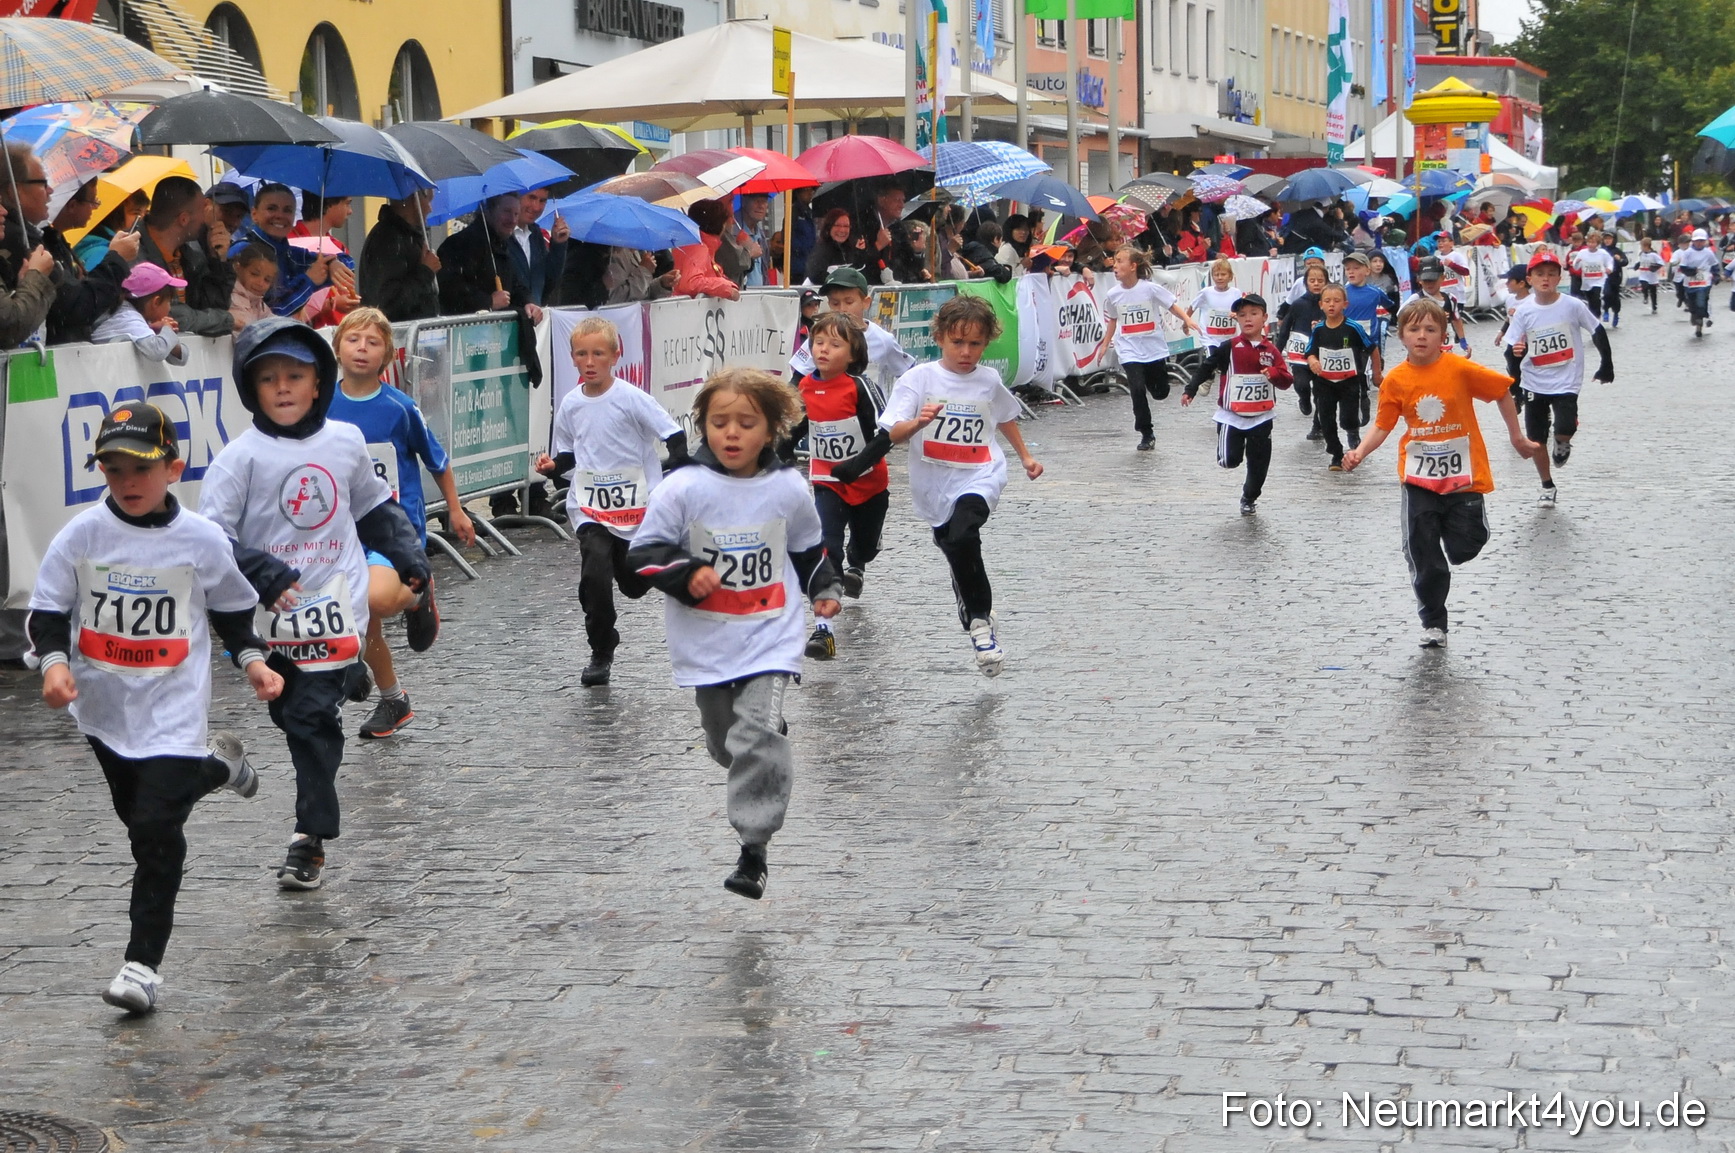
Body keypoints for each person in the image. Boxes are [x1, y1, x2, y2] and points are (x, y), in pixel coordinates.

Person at [26, 403, 284, 1014]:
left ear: (173, 468)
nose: (128, 481)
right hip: (104, 710)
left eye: (141, 468)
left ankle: (141, 967)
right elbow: (47, 609)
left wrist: (252, 660)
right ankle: (219, 768)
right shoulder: (82, 534)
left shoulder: (200, 538)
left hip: (174, 706)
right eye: (114, 469)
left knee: (154, 831)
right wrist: (55, 665)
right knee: (138, 815)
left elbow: (231, 608)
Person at [199, 317, 429, 891]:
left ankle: (309, 840)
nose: (283, 388)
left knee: (309, 720)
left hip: (338, 604)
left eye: (295, 376)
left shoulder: (344, 442)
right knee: (290, 712)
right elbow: (208, 540)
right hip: (271, 622)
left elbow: (374, 509)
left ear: (318, 382)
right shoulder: (238, 459)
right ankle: (349, 678)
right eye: (269, 378)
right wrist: (261, 569)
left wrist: (408, 555)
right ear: (251, 388)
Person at [626, 368, 842, 901]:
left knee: (756, 738)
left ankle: (753, 849)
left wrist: (823, 586)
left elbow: (807, 548)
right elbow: (642, 555)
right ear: (702, 425)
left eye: (746, 423)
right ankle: (760, 743)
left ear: (771, 431)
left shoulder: (787, 488)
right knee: (729, 742)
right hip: (707, 642)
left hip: (771, 635)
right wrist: (685, 573)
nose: (732, 433)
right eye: (720, 422)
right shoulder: (683, 488)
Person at [1342, 298, 1542, 647]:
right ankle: (1434, 622)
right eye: (1414, 329)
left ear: (1443, 336)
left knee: (1466, 546)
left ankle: (1467, 533)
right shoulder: (1396, 380)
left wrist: (1517, 438)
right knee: (1424, 553)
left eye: (1430, 329)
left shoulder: (1459, 369)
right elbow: (1383, 425)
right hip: (1418, 478)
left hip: (1463, 477)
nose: (1422, 336)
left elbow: (1502, 391)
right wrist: (1359, 452)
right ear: (1401, 336)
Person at [326, 308, 475, 738]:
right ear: (337, 348)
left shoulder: (400, 407)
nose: (362, 349)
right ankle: (394, 700)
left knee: (374, 600)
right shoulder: (320, 405)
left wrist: (456, 509)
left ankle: (416, 593)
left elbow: (436, 460)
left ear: (388, 355)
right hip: (340, 528)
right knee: (358, 614)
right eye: (353, 340)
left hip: (393, 526)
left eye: (373, 342)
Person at [879, 295, 1043, 675]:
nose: (966, 352)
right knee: (952, 542)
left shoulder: (988, 380)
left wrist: (1024, 457)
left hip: (981, 473)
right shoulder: (918, 379)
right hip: (934, 484)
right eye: (957, 342)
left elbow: (1005, 416)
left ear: (986, 343)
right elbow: (894, 433)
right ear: (939, 338)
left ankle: (980, 625)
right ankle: (971, 604)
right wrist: (918, 424)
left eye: (975, 343)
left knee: (964, 532)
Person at [533, 317, 687, 687]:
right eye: (582, 354)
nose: (590, 362)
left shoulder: (631, 398)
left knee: (633, 585)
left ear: (615, 356)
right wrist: (554, 467)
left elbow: (674, 435)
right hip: (590, 507)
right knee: (594, 574)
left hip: (635, 507)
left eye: (598, 354)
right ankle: (601, 649)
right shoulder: (571, 404)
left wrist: (678, 472)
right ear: (572, 357)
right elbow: (569, 453)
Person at [786, 312, 893, 659]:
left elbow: (886, 434)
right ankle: (824, 631)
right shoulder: (804, 387)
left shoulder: (860, 387)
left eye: (834, 344)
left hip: (868, 484)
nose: (823, 350)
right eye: (818, 342)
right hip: (827, 483)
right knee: (826, 547)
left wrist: (856, 465)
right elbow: (797, 430)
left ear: (853, 353)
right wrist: (773, 457)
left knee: (862, 549)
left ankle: (860, 558)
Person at [1503, 250, 1614, 508]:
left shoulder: (1572, 306)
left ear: (1559, 278)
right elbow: (1512, 350)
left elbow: (1597, 330)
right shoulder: (1523, 311)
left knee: (1565, 427)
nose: (1546, 279)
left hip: (1566, 378)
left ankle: (1563, 442)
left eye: (1552, 274)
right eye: (1540, 274)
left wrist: (1606, 364)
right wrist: (1516, 383)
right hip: (1534, 380)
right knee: (1536, 439)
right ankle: (1547, 485)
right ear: (1529, 279)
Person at [1182, 293, 1293, 515]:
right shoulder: (1229, 347)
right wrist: (1190, 389)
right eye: (1242, 315)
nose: (1248, 319)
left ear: (1265, 317)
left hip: (1261, 416)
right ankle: (1233, 449)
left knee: (1259, 464)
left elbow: (1286, 381)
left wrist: (1273, 374)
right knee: (1229, 460)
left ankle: (1249, 498)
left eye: (1254, 314)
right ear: (1236, 319)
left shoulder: (1271, 351)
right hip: (1231, 416)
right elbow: (1206, 367)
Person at [1095, 245, 1200, 452]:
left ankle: (1159, 386)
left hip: (1153, 348)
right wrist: (1105, 343)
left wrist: (1187, 319)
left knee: (1160, 393)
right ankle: (1146, 432)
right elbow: (1113, 320)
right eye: (1114, 261)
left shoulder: (1150, 289)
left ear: (1133, 266)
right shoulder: (1113, 294)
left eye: (1120, 261)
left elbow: (1171, 306)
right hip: (1129, 349)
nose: (1114, 266)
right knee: (1136, 388)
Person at [789, 267, 914, 400]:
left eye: (849, 302)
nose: (842, 309)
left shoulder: (883, 340)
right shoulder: (820, 338)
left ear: (866, 302)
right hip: (829, 409)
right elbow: (796, 382)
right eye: (835, 303)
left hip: (869, 409)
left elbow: (910, 375)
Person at [39, 176, 138, 345]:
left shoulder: (56, 241)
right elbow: (78, 306)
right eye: (92, 201)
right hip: (61, 347)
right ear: (72, 205)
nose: (95, 207)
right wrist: (117, 258)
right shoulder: (43, 246)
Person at [228, 183, 342, 320]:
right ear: (254, 214)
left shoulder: (288, 252)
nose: (279, 215)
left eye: (287, 210)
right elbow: (271, 313)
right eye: (271, 208)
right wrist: (309, 281)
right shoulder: (242, 250)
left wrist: (333, 262)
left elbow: (348, 263)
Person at [437, 192, 542, 319]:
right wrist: (488, 302)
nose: (513, 220)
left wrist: (528, 303)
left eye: (516, 214)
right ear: (487, 211)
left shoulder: (501, 244)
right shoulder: (459, 244)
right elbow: (449, 290)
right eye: (507, 212)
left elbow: (515, 286)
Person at [1304, 283, 1374, 470]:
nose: (1331, 305)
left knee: (1347, 418)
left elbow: (1372, 348)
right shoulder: (1318, 329)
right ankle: (1336, 454)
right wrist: (1313, 361)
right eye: (1327, 301)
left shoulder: (1353, 327)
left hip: (1349, 381)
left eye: (1336, 301)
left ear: (1345, 304)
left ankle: (1353, 431)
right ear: (1321, 305)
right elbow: (1309, 351)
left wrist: (1377, 374)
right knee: (1326, 419)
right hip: (1324, 382)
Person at [358, 188, 441, 322]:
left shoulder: (406, 236)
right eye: (428, 201)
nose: (430, 209)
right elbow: (388, 304)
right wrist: (425, 271)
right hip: (399, 331)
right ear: (415, 200)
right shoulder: (388, 239)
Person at [90, 262, 187, 365]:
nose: (170, 308)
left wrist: (156, 331)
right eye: (169, 302)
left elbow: (182, 357)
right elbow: (157, 351)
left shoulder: (128, 316)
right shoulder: (128, 317)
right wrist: (168, 329)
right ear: (156, 302)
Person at [1276, 263, 1329, 441]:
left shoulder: (1329, 304)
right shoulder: (1298, 304)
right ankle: (1304, 399)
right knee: (1301, 384)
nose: (1316, 283)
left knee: (1321, 394)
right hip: (1300, 357)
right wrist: (1276, 353)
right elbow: (1285, 329)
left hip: (1322, 357)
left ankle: (1317, 426)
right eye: (1312, 280)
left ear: (1326, 282)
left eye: (1320, 280)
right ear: (1306, 283)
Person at [672, 200, 743, 301]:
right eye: (728, 219)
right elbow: (691, 283)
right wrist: (724, 287)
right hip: (689, 309)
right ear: (721, 224)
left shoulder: (691, 245)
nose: (731, 223)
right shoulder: (698, 248)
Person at [509, 187, 569, 305]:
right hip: (512, 314)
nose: (536, 207)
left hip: (535, 313)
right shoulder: (499, 235)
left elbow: (548, 281)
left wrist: (558, 244)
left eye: (542, 201)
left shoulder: (535, 233)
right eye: (531, 198)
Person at [1402, 257, 1470, 352]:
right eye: (1426, 280)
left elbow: (1456, 320)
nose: (1429, 284)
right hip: (1424, 349)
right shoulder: (1415, 299)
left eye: (1433, 280)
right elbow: (1401, 319)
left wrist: (1463, 341)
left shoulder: (1450, 299)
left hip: (1446, 347)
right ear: (1419, 280)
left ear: (1442, 278)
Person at [867, 181, 925, 283]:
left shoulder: (899, 228)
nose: (902, 205)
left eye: (903, 200)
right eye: (897, 200)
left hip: (898, 286)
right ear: (881, 201)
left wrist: (917, 251)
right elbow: (859, 263)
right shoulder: (865, 224)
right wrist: (878, 246)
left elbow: (911, 266)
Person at [807, 208, 873, 284]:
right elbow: (815, 276)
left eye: (846, 226)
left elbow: (862, 272)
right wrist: (838, 283)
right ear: (829, 227)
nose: (842, 230)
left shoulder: (852, 249)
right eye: (837, 225)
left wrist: (861, 252)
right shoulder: (821, 251)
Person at [1190, 258, 1243, 350]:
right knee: (1212, 357)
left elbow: (1242, 313)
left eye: (1223, 274)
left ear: (1230, 276)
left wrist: (1237, 316)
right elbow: (1192, 306)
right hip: (1209, 339)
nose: (1219, 278)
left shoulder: (1236, 293)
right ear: (1212, 276)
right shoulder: (1206, 292)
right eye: (1216, 275)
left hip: (1229, 338)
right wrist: (1186, 322)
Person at [1676, 228, 1721, 337]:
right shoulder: (1687, 253)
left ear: (1705, 241)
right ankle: (1694, 314)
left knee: (1701, 301)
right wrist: (1691, 271)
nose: (1699, 243)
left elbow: (1714, 265)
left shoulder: (1708, 253)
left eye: (1702, 241)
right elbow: (1683, 267)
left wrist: (1716, 276)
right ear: (1693, 241)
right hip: (1690, 282)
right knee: (1692, 303)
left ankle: (1700, 321)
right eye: (1697, 241)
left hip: (1704, 281)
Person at [229, 244, 277, 326]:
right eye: (254, 274)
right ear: (238, 268)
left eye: (267, 280)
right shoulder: (230, 299)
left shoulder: (258, 303)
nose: (260, 283)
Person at [1571, 229, 1613, 320]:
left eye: (1593, 242)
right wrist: (1577, 262)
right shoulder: (1582, 253)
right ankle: (1592, 315)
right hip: (1587, 280)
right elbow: (1576, 267)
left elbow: (1609, 262)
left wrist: (1609, 268)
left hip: (1599, 280)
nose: (1591, 244)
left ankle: (1597, 316)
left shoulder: (1602, 253)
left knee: (1596, 297)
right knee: (1590, 299)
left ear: (1598, 243)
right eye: (1589, 242)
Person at [735, 193, 773, 286]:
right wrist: (749, 255)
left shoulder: (761, 235)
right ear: (744, 201)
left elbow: (764, 272)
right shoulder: (732, 230)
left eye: (764, 201)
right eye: (757, 201)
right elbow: (728, 268)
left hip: (760, 293)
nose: (761, 206)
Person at [1602, 230, 1627, 327]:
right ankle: (1606, 310)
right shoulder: (1601, 251)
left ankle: (1616, 313)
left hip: (1616, 277)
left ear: (1614, 239)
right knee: (1606, 293)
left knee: (1615, 297)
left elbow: (1625, 262)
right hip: (1605, 277)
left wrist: (1619, 259)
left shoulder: (1617, 251)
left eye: (1609, 238)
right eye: (1605, 238)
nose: (1607, 240)